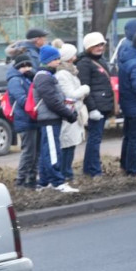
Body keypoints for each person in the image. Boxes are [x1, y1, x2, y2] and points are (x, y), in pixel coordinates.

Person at [32, 45, 80, 192]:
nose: (59, 61)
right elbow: (52, 101)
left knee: (47, 150)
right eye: (56, 59)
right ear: (48, 61)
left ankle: (45, 182)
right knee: (52, 151)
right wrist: (69, 114)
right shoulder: (44, 77)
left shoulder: (45, 76)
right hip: (49, 119)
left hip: (50, 119)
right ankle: (58, 182)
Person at [76, 32, 116, 178]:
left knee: (96, 139)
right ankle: (93, 170)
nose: (100, 48)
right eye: (96, 45)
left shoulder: (101, 60)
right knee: (94, 139)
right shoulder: (84, 63)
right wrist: (92, 109)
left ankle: (90, 169)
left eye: (101, 45)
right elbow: (85, 88)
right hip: (96, 107)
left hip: (103, 105)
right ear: (88, 47)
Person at [55, 44, 89, 183]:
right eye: (73, 55)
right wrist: (85, 88)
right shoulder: (63, 74)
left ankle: (67, 172)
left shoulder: (70, 71)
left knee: (71, 144)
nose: (76, 57)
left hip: (74, 112)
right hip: (69, 114)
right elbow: (70, 94)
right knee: (67, 145)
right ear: (69, 58)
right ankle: (65, 174)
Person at [6, 53, 39, 189]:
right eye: (23, 66)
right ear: (17, 67)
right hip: (25, 121)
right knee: (28, 152)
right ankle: (20, 182)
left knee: (35, 153)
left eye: (29, 65)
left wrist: (33, 75)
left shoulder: (28, 78)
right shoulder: (15, 80)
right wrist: (36, 106)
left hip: (33, 120)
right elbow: (22, 99)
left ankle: (31, 180)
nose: (27, 68)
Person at [118, 30, 136, 178]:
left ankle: (125, 167)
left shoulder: (130, 58)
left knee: (129, 138)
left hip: (130, 106)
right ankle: (133, 171)